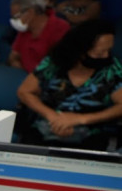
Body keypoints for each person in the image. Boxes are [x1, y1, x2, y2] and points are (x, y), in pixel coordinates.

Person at [17, 19, 122, 152]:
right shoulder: (54, 62)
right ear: (80, 50)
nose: (106, 56)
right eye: (99, 53)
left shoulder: (112, 69)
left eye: (108, 50)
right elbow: (24, 91)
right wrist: (53, 117)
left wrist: (80, 119)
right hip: (45, 127)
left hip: (90, 134)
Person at [8, 0, 69, 74]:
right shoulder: (24, 30)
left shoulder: (60, 28)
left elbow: (60, 65)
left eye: (17, 16)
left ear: (30, 12)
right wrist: (21, 72)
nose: (15, 20)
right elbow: (13, 57)